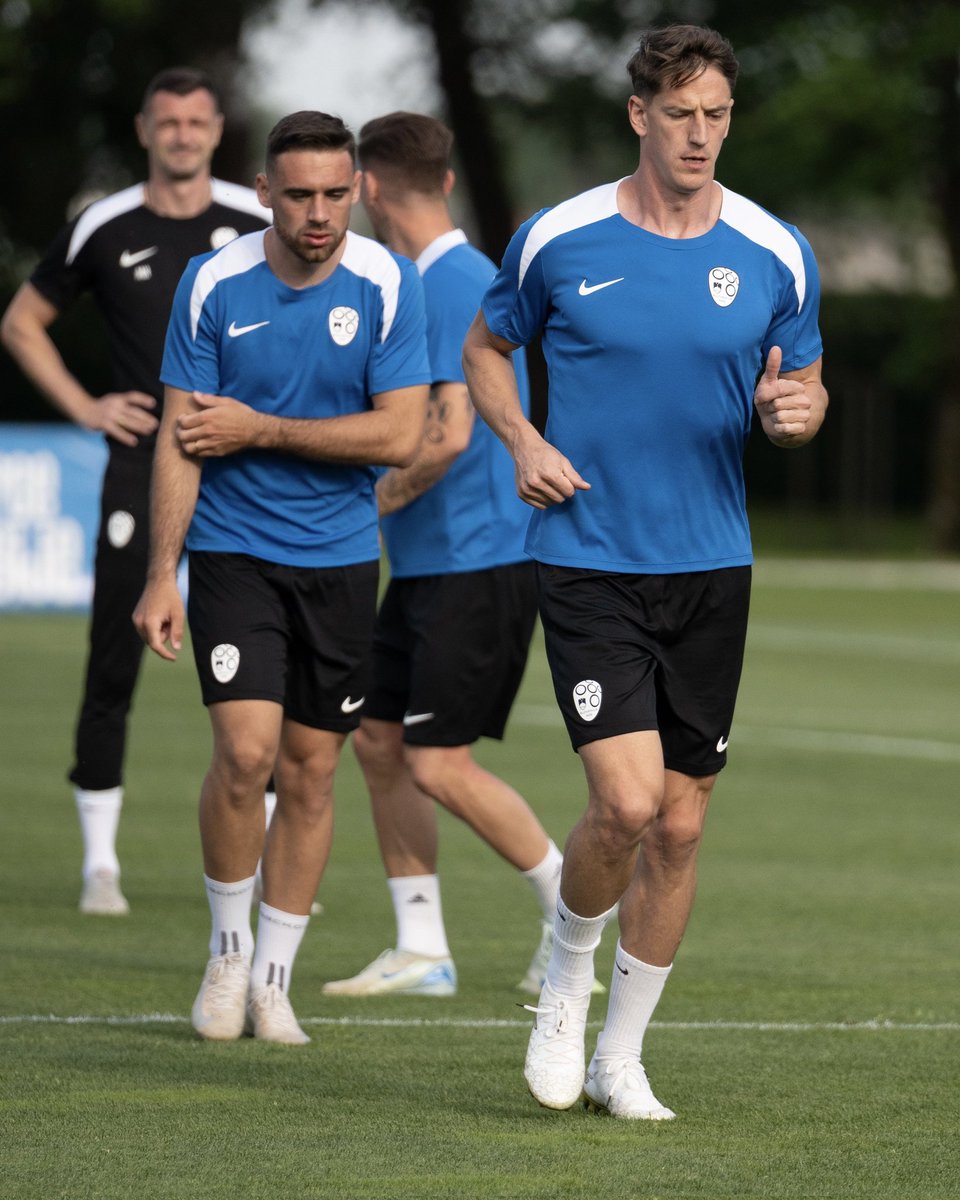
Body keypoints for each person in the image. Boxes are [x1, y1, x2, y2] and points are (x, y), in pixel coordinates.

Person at [463, 24, 827, 1119]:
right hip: (587, 556)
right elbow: (486, 348)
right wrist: (523, 442)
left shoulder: (775, 249)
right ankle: (565, 974)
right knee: (623, 804)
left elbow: (800, 394)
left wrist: (798, 417)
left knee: (682, 823)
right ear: (639, 117)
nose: (702, 134)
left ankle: (622, 1059)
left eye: (718, 115)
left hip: (714, 563)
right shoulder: (559, 238)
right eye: (682, 115)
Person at [133, 110, 430, 1044]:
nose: (319, 212)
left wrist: (259, 427)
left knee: (311, 772)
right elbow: (183, 439)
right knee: (247, 753)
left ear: (357, 191)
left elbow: (399, 434)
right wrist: (159, 575)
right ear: (264, 191)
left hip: (342, 563)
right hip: (233, 556)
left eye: (336, 194)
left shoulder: (388, 280)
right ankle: (226, 959)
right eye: (298, 194)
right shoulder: (213, 282)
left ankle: (273, 978)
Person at [322, 112, 594, 999]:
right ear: (443, 180)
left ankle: (575, 925)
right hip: (431, 565)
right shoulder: (424, 276)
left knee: (440, 762)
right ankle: (423, 947)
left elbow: (441, 438)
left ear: (366, 188)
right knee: (378, 742)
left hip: (481, 560)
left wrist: (357, 511)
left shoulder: (453, 282)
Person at [0, 68, 269, 915]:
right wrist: (84, 405)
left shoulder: (256, 222)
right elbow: (21, 322)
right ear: (145, 129)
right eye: (168, 122)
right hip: (138, 466)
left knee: (268, 660)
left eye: (197, 122)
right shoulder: (103, 224)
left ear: (217, 129)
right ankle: (101, 866)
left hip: (246, 469)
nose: (183, 135)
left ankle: (265, 861)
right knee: (112, 657)